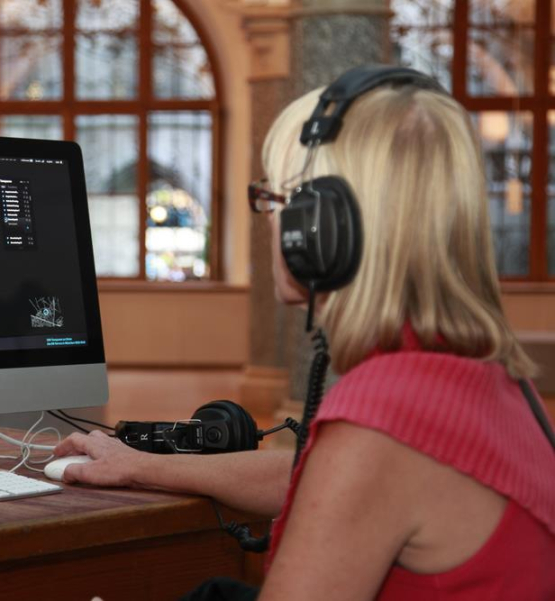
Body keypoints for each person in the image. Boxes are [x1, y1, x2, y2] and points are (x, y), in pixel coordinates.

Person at [54, 68, 555, 600]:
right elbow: (308, 477)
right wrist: (143, 466)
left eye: (274, 199)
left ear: (316, 231)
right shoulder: (479, 369)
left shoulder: (385, 412)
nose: (270, 220)